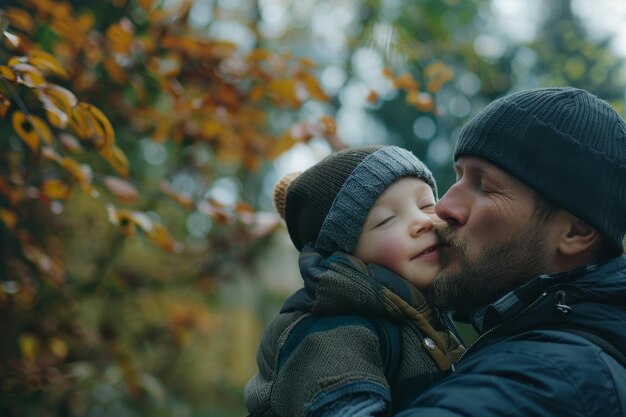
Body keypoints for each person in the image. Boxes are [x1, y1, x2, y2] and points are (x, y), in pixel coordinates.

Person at [296, 87, 626, 416]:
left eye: (485, 186)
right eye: (459, 176)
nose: (443, 207)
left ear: (575, 232)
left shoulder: (550, 380)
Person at [244, 145, 465, 417]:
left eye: (427, 205)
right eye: (386, 220)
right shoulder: (332, 332)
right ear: (345, 254)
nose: (422, 221)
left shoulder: (424, 314)